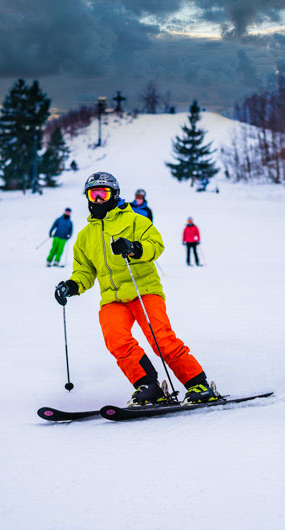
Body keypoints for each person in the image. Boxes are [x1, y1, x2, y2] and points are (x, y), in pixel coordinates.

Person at [54, 172, 218, 406]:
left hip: (144, 290)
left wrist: (133, 248)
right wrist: (71, 286)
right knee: (116, 340)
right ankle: (148, 386)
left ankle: (198, 385)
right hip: (112, 298)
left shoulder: (136, 221)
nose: (98, 199)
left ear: (114, 195)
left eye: (104, 193)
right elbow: (85, 272)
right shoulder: (84, 237)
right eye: (93, 194)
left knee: (161, 339)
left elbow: (156, 245)